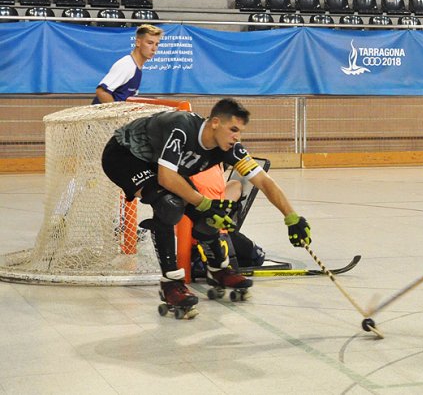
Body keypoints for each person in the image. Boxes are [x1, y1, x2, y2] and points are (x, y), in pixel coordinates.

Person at [101, 98, 312, 317]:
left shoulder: (229, 147)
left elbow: (265, 181)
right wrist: (204, 204)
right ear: (215, 123)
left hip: (156, 160)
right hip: (124, 156)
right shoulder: (181, 128)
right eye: (232, 130)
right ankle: (170, 283)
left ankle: (217, 269)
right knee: (169, 205)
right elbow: (166, 178)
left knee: (212, 214)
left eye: (240, 132)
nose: (237, 137)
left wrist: (292, 218)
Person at [93, 24, 163, 104]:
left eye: (156, 44)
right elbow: (102, 92)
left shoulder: (137, 67)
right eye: (150, 43)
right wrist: (117, 115)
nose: (154, 49)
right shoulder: (127, 65)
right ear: (138, 42)